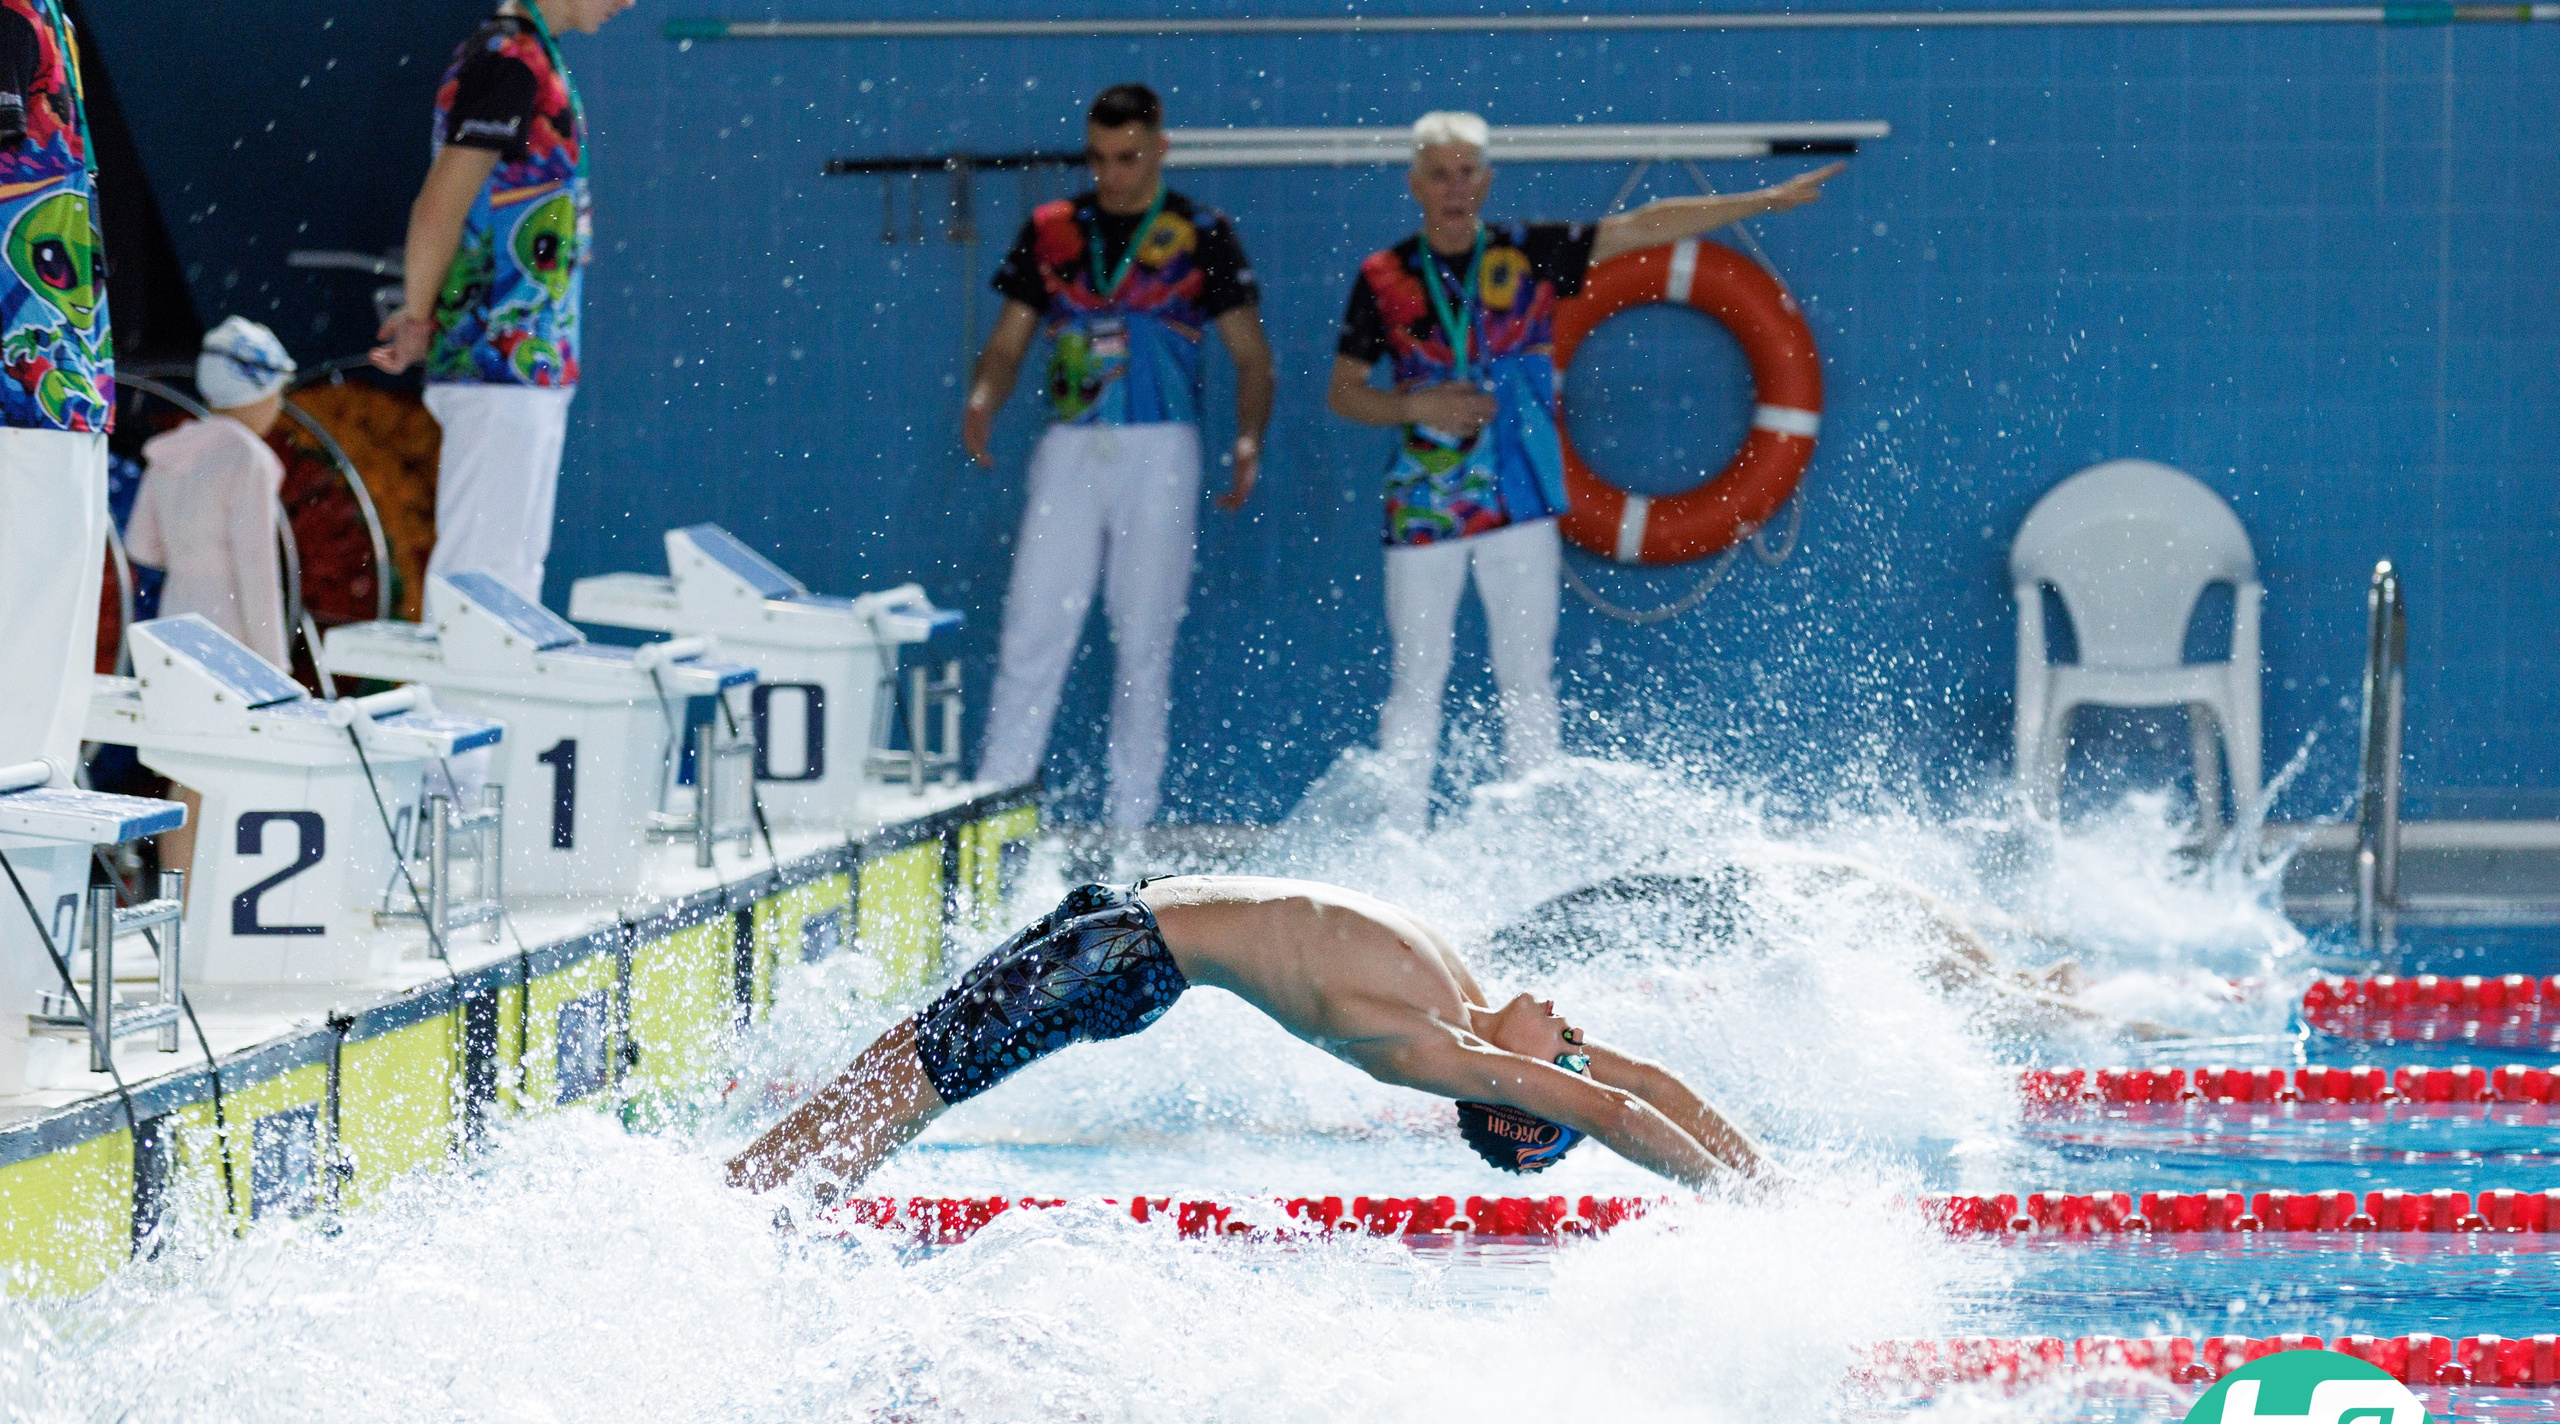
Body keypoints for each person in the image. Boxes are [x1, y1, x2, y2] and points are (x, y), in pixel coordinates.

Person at [1328, 113, 1841, 831]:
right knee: (1416, 681)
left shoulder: (1528, 253)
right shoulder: (1384, 278)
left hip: (1524, 499)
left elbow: (1643, 226)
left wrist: (1762, 201)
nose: (1455, 187)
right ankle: (1397, 837)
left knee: (1527, 680)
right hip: (1426, 505)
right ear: (1416, 183)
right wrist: (1418, 403)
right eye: (1439, 173)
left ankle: (1534, 840)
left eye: (1468, 171)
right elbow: (1343, 391)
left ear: (1487, 179)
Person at [728, 876, 1770, 1195]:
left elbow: (1607, 1104)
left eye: (1565, 1061)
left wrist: (1752, 1207)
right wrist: (1776, 1178)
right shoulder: (1464, 1002)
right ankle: (778, 1198)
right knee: (900, 1079)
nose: (1582, 1039)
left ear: (1520, 1097)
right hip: (1118, 925)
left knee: (902, 1080)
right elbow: (1637, 1082)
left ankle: (742, 1205)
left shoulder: (1427, 1045)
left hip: (1125, 954)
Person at [964, 84, 1275, 837]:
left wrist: (1247, 439)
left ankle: (1129, 827)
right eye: (1099, 158)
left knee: (1144, 640)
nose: (1113, 174)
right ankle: (994, 813)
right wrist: (982, 400)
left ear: (1160, 148)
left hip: (1162, 447)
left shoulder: (1201, 231)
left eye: (1129, 157)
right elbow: (1008, 343)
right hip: (1069, 446)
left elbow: (1252, 358)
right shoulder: (1052, 228)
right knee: (1033, 629)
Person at [370, 0, 633, 611]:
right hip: (496, 362)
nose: (629, 1)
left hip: (527, 363)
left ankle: (487, 704)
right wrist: (417, 315)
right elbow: (440, 203)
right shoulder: (509, 61)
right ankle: (462, 707)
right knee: (480, 592)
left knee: (509, 583)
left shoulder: (531, 57)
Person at [1488, 858, 2186, 1040]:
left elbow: (2025, 999)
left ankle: (1494, 944)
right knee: (1601, 914)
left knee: (1593, 914)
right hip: (1757, 883)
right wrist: (2141, 1032)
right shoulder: (1955, 958)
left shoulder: (1954, 951)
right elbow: (2026, 1002)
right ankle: (1496, 944)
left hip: (1758, 878)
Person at [0, 0, 112, 772]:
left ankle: (34, 886)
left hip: (64, 385)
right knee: (24, 677)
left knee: (52, 682)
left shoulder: (45, 17)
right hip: (19, 392)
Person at [125, 318, 295, 671]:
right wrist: (275, 665)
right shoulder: (249, 458)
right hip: (230, 627)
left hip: (174, 617)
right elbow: (258, 570)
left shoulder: (168, 450)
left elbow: (141, 546)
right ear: (258, 394)